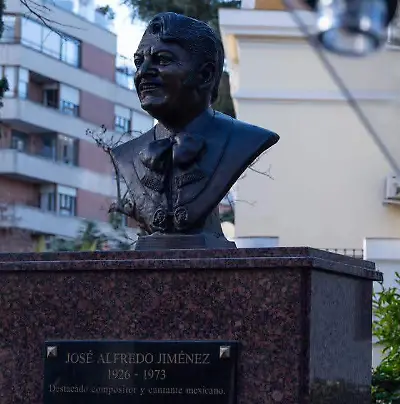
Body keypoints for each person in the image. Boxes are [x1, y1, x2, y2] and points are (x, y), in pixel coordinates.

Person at [110, 12, 279, 250]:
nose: (143, 72)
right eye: (139, 62)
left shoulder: (246, 140)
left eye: (163, 60)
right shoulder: (127, 155)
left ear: (205, 74)